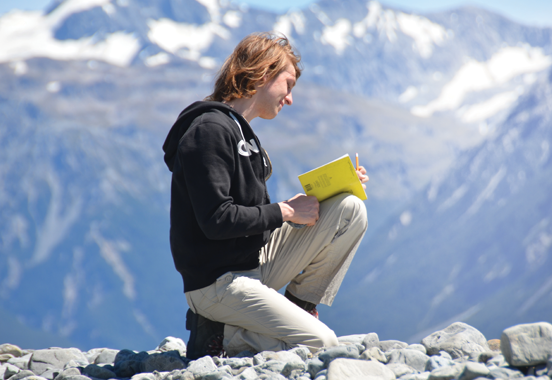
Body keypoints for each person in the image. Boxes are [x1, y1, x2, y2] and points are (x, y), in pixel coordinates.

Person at [162, 32, 369, 359]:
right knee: (325, 345)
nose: (289, 98)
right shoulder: (209, 130)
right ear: (261, 74)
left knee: (349, 208)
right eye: (288, 85)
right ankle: (223, 335)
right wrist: (286, 211)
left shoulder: (243, 134)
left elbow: (255, 216)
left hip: (251, 261)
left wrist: (334, 189)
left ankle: (297, 308)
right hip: (217, 283)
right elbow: (217, 220)